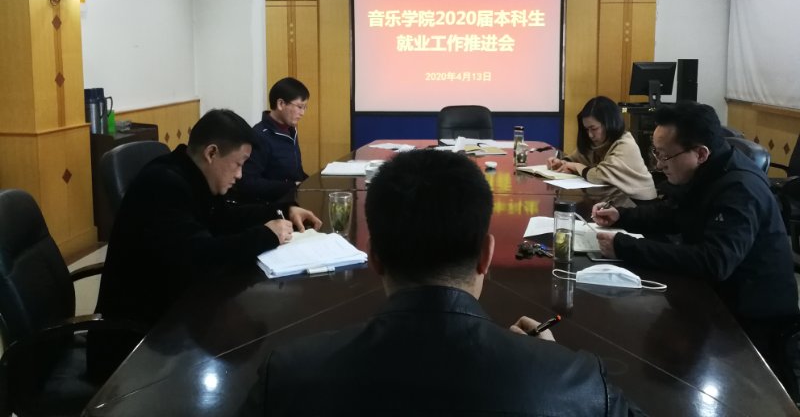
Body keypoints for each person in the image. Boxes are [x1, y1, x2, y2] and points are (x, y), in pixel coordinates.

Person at [247, 150, 638, 416]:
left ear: (375, 258)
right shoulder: (578, 381)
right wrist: (550, 364)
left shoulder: (289, 375)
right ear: (486, 255)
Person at [88, 109, 321, 379]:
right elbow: (201, 256)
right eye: (238, 164)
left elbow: (223, 218)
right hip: (137, 344)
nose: (240, 175)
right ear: (211, 153)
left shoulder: (192, 175)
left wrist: (282, 211)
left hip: (173, 314)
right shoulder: (163, 185)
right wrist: (266, 235)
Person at [592, 101, 799, 399]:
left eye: (665, 155)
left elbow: (714, 261)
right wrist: (622, 216)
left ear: (700, 153)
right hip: (716, 297)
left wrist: (626, 246)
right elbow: (673, 213)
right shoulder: (706, 172)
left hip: (750, 324)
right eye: (655, 153)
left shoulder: (740, 189)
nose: (658, 164)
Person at [548, 96, 656, 200]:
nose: (590, 135)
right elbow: (577, 158)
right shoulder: (598, 143)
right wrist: (562, 163)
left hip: (639, 204)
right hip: (616, 201)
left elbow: (599, 176)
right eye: (586, 129)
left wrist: (576, 166)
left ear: (609, 124)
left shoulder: (625, 145)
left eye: (594, 128)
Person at [237, 77, 309, 202]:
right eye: (299, 106)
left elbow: (296, 173)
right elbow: (249, 182)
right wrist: (291, 186)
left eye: (305, 107)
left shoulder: (291, 130)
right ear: (281, 104)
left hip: (293, 198)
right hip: (272, 205)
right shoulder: (259, 135)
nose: (302, 113)